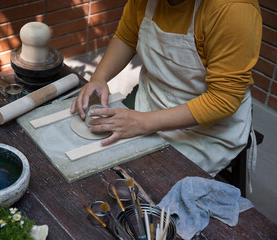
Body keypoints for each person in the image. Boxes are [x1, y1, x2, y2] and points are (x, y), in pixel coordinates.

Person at [70, 0, 262, 177]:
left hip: (207, 128)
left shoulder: (232, 9)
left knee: (142, 180)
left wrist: (142, 123)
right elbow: (127, 36)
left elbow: (222, 100)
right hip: (152, 97)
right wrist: (99, 78)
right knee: (97, 157)